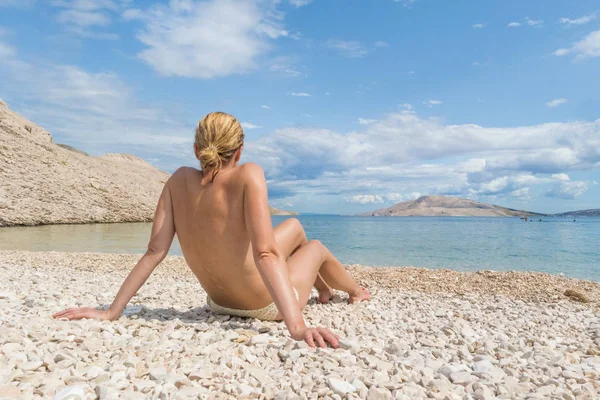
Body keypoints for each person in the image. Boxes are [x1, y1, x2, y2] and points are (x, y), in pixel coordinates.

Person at [53, 112, 370, 348]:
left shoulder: (178, 180)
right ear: (240, 151)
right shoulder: (249, 175)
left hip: (218, 301)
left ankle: (325, 290)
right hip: (263, 305)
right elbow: (264, 253)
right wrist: (298, 328)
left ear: (196, 150)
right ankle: (355, 291)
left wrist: (112, 312)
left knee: (294, 227)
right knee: (312, 246)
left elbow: (155, 251)